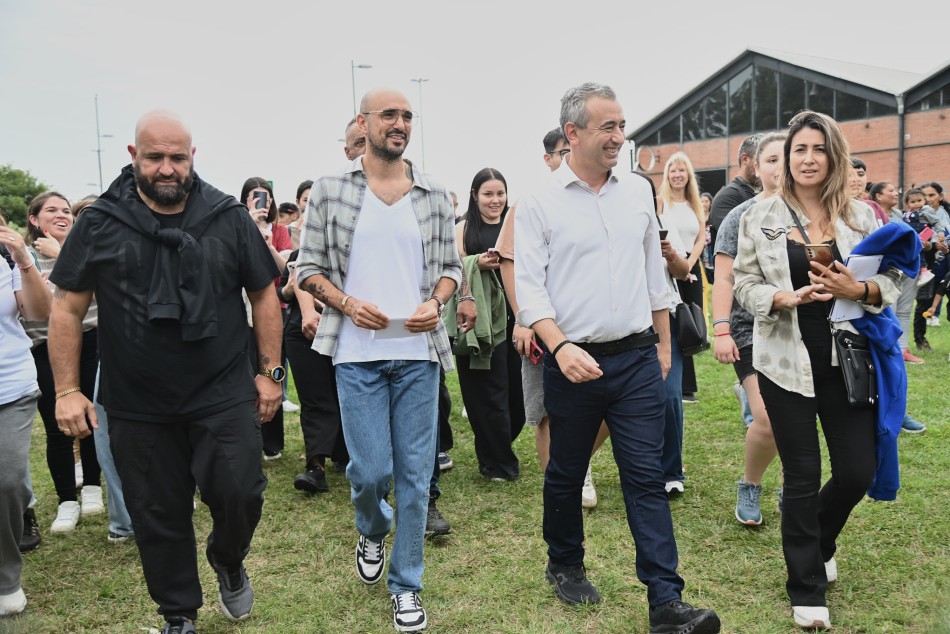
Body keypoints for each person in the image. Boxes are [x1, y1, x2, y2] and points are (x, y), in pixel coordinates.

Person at [49, 110, 283, 634]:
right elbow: (66, 307)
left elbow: (264, 294)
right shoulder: (100, 221)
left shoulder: (226, 215)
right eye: (155, 157)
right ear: (134, 156)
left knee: (241, 491)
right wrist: (67, 389)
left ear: (192, 156)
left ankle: (228, 558)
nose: (167, 168)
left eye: (177, 157)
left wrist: (271, 372)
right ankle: (178, 613)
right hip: (137, 401)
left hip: (222, 389)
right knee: (157, 513)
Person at [515, 82, 720, 633]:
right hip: (572, 360)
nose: (618, 137)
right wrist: (560, 347)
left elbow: (654, 275)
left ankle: (666, 601)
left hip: (636, 359)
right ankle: (564, 562)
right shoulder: (538, 203)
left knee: (645, 476)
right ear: (573, 132)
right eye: (607, 126)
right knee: (566, 470)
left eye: (622, 125)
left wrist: (664, 345)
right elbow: (530, 291)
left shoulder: (636, 192)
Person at [296, 88, 462, 632]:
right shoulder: (330, 190)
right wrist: (347, 304)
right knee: (370, 473)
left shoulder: (433, 193)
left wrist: (435, 302)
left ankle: (406, 585)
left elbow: (451, 269)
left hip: (417, 354)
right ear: (362, 122)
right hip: (356, 355)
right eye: (389, 114)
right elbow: (307, 269)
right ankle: (372, 528)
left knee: (416, 476)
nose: (400, 123)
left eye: (407, 116)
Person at [733, 110, 902, 629]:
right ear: (786, 158)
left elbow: (894, 277)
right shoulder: (758, 215)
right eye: (799, 150)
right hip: (784, 361)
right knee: (802, 475)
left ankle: (820, 541)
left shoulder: (862, 216)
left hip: (848, 359)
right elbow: (743, 283)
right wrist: (780, 297)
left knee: (857, 471)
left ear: (835, 155)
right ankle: (806, 585)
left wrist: (861, 289)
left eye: (818, 149)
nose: (808, 159)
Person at [496, 126, 609, 507]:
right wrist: (522, 319)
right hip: (543, 326)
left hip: (592, 326)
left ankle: (577, 463)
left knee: (607, 403)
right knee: (546, 410)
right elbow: (509, 263)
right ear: (548, 160)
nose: (569, 158)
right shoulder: (530, 203)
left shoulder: (596, 199)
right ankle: (558, 488)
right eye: (562, 152)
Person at [712, 132, 787, 525]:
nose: (781, 167)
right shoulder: (740, 216)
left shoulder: (813, 213)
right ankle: (751, 484)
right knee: (769, 417)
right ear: (756, 167)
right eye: (771, 160)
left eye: (786, 158)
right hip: (749, 328)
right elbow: (723, 279)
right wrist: (721, 329)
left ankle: (794, 487)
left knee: (798, 417)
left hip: (801, 327)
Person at [21, 192, 104, 532]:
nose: (62, 215)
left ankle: (93, 487)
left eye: (66, 210)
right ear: (34, 219)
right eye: (51, 210)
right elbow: (36, 310)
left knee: (92, 419)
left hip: (92, 342)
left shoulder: (87, 250)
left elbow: (105, 293)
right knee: (57, 426)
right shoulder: (23, 256)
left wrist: (63, 254)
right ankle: (67, 499)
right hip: (45, 349)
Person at [455, 168, 525, 482]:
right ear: (475, 196)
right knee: (486, 394)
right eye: (488, 194)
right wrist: (477, 263)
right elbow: (453, 265)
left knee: (518, 396)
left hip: (516, 319)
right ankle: (498, 462)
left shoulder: (516, 224)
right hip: (478, 321)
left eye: (500, 193)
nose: (495, 200)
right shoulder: (464, 228)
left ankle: (495, 447)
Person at [0, 214, 51, 616]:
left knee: (8, 481)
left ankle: (6, 578)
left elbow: (40, 311)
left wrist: (23, 259)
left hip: (10, 388)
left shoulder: (8, 259)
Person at [240, 177, 291, 460]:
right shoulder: (238, 225)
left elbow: (287, 270)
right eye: (256, 196)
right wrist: (249, 224)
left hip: (276, 308)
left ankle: (272, 441)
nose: (263, 202)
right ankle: (250, 435)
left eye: (267, 196)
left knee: (273, 371)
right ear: (245, 200)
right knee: (248, 372)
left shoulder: (280, 231)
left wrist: (269, 246)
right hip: (245, 310)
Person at [657, 152, 706, 406]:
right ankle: (682, 385)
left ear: (688, 175)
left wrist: (689, 265)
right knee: (675, 325)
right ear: (667, 175)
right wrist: (680, 267)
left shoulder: (694, 203)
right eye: (673, 170)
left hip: (691, 265)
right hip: (669, 266)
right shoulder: (661, 202)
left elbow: (701, 237)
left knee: (692, 324)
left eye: (682, 170)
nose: (677, 175)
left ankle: (688, 384)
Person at [708, 133, 761, 245]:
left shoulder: (769, 194)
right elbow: (735, 243)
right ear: (745, 159)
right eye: (761, 160)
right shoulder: (726, 198)